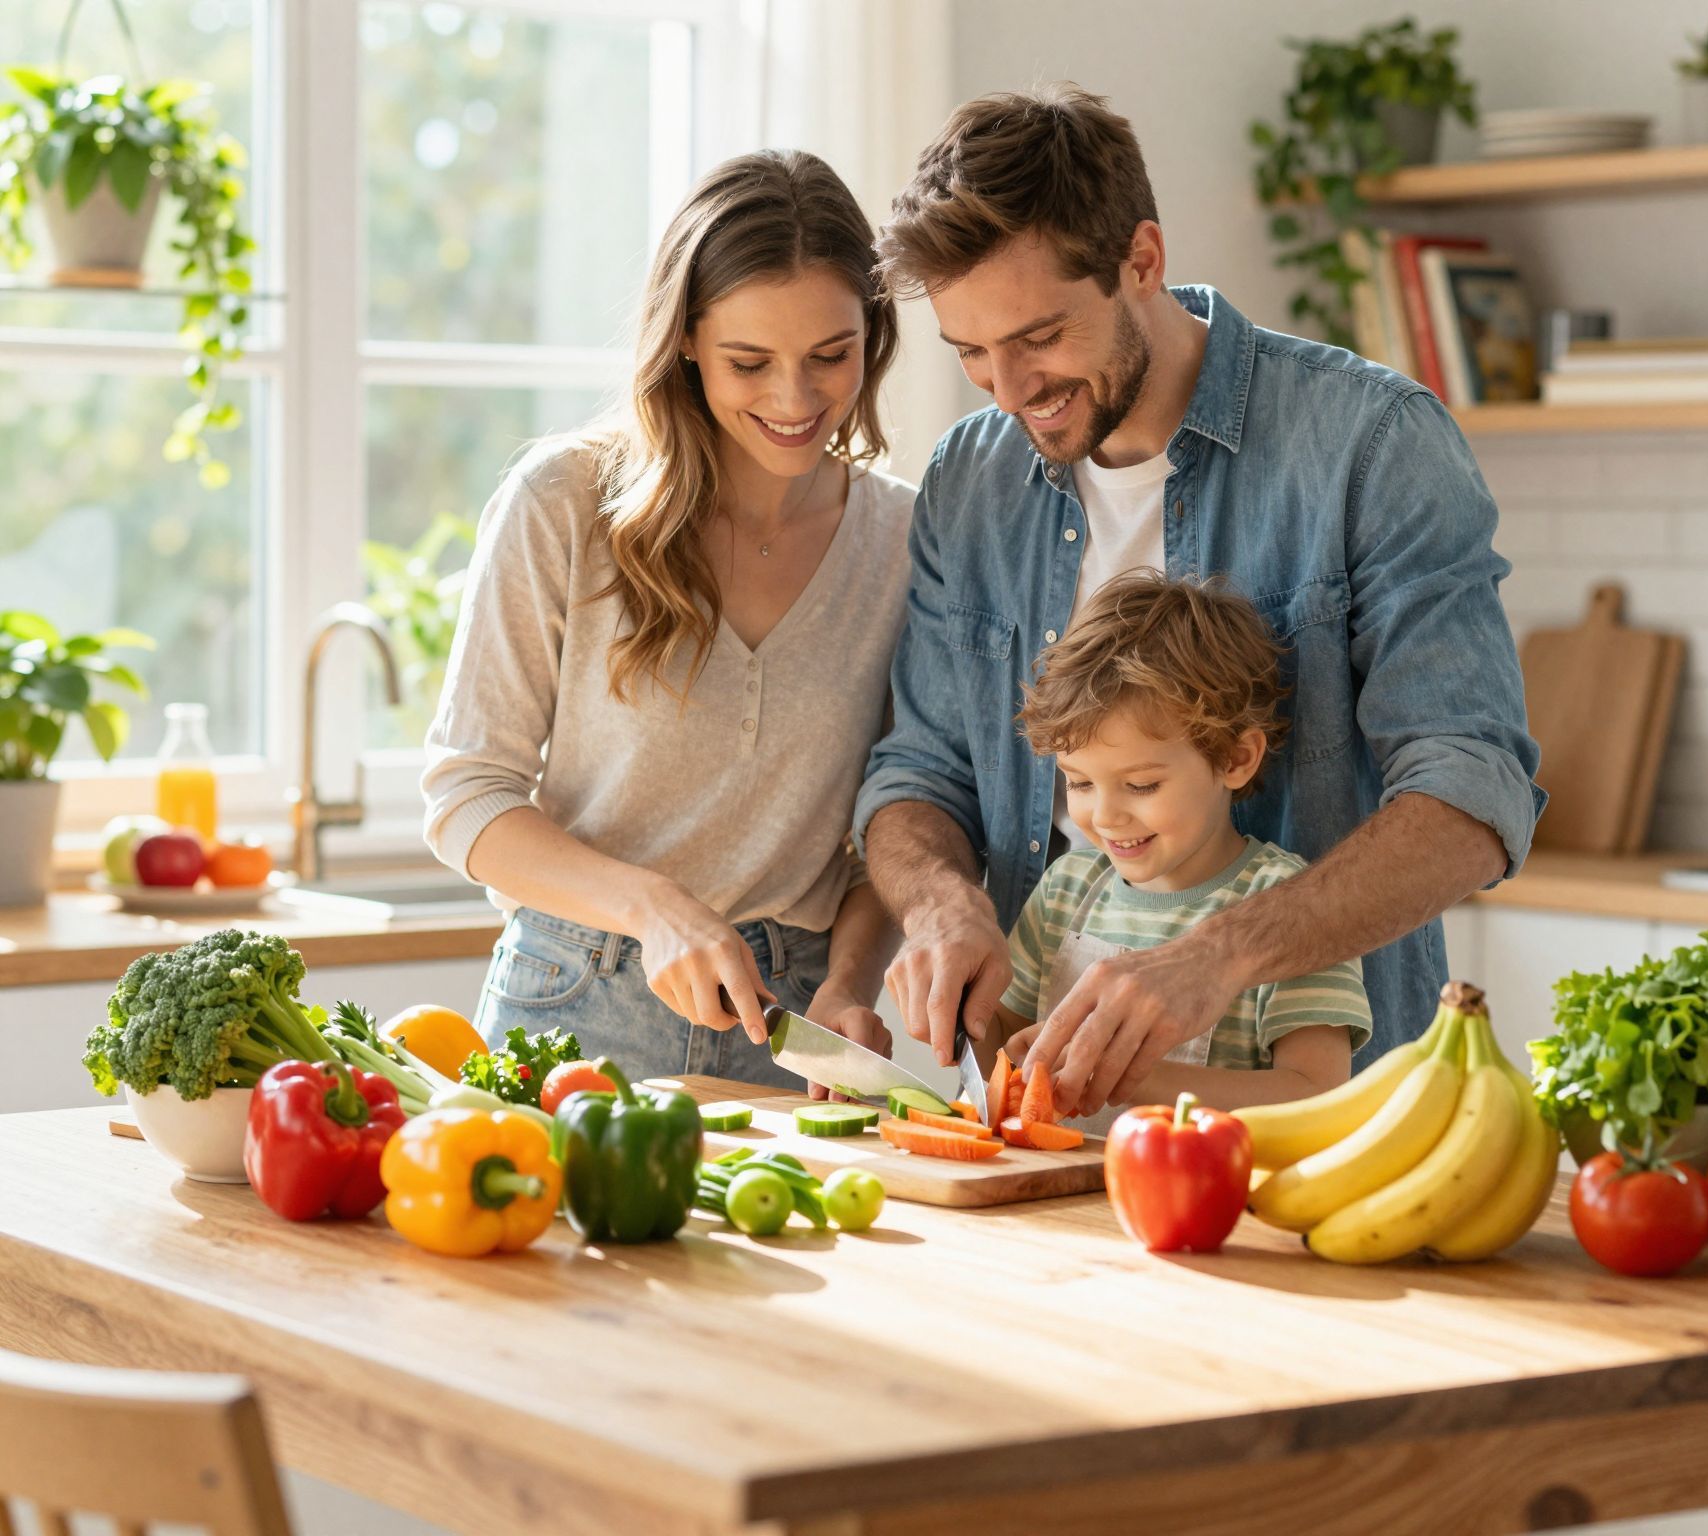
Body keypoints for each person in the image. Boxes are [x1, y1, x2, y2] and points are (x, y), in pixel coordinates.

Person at [853, 84, 1543, 1120]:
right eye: (968, 353)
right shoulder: (971, 476)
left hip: (1321, 1130)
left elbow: (1472, 790)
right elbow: (917, 770)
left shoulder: (1369, 444)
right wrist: (940, 905)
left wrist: (1211, 958)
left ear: (1141, 259)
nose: (1005, 390)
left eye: (1038, 336)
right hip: (1038, 1131)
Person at [421, 150, 912, 1089]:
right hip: (573, 1003)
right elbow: (466, 799)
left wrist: (853, 982)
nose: (795, 400)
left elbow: (892, 821)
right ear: (685, 339)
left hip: (792, 1031)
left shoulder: (902, 538)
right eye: (749, 362)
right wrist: (652, 909)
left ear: (873, 334)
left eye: (830, 356)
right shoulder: (564, 502)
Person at [978, 572, 1368, 1132]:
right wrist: (961, 1007)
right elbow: (1004, 1047)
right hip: (1054, 1203)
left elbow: (1320, 1098)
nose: (1105, 817)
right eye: (1080, 783)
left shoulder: (1287, 908)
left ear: (1235, 759)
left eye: (1141, 786)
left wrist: (1132, 1076)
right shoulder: (1066, 889)